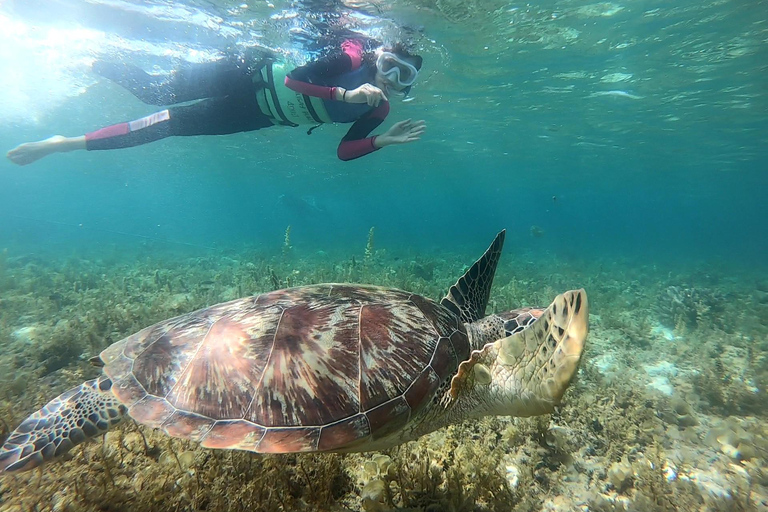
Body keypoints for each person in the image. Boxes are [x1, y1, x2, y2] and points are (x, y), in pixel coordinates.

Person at [6, 41, 426, 165]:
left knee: (165, 125)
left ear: (406, 87)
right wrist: (344, 94)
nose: (389, 77)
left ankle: (63, 143)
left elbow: (343, 152)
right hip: (244, 74)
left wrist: (383, 140)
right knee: (155, 91)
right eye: (390, 64)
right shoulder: (351, 57)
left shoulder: (380, 111)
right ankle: (92, 56)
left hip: (255, 114)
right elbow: (295, 79)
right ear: (378, 56)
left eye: (402, 75)